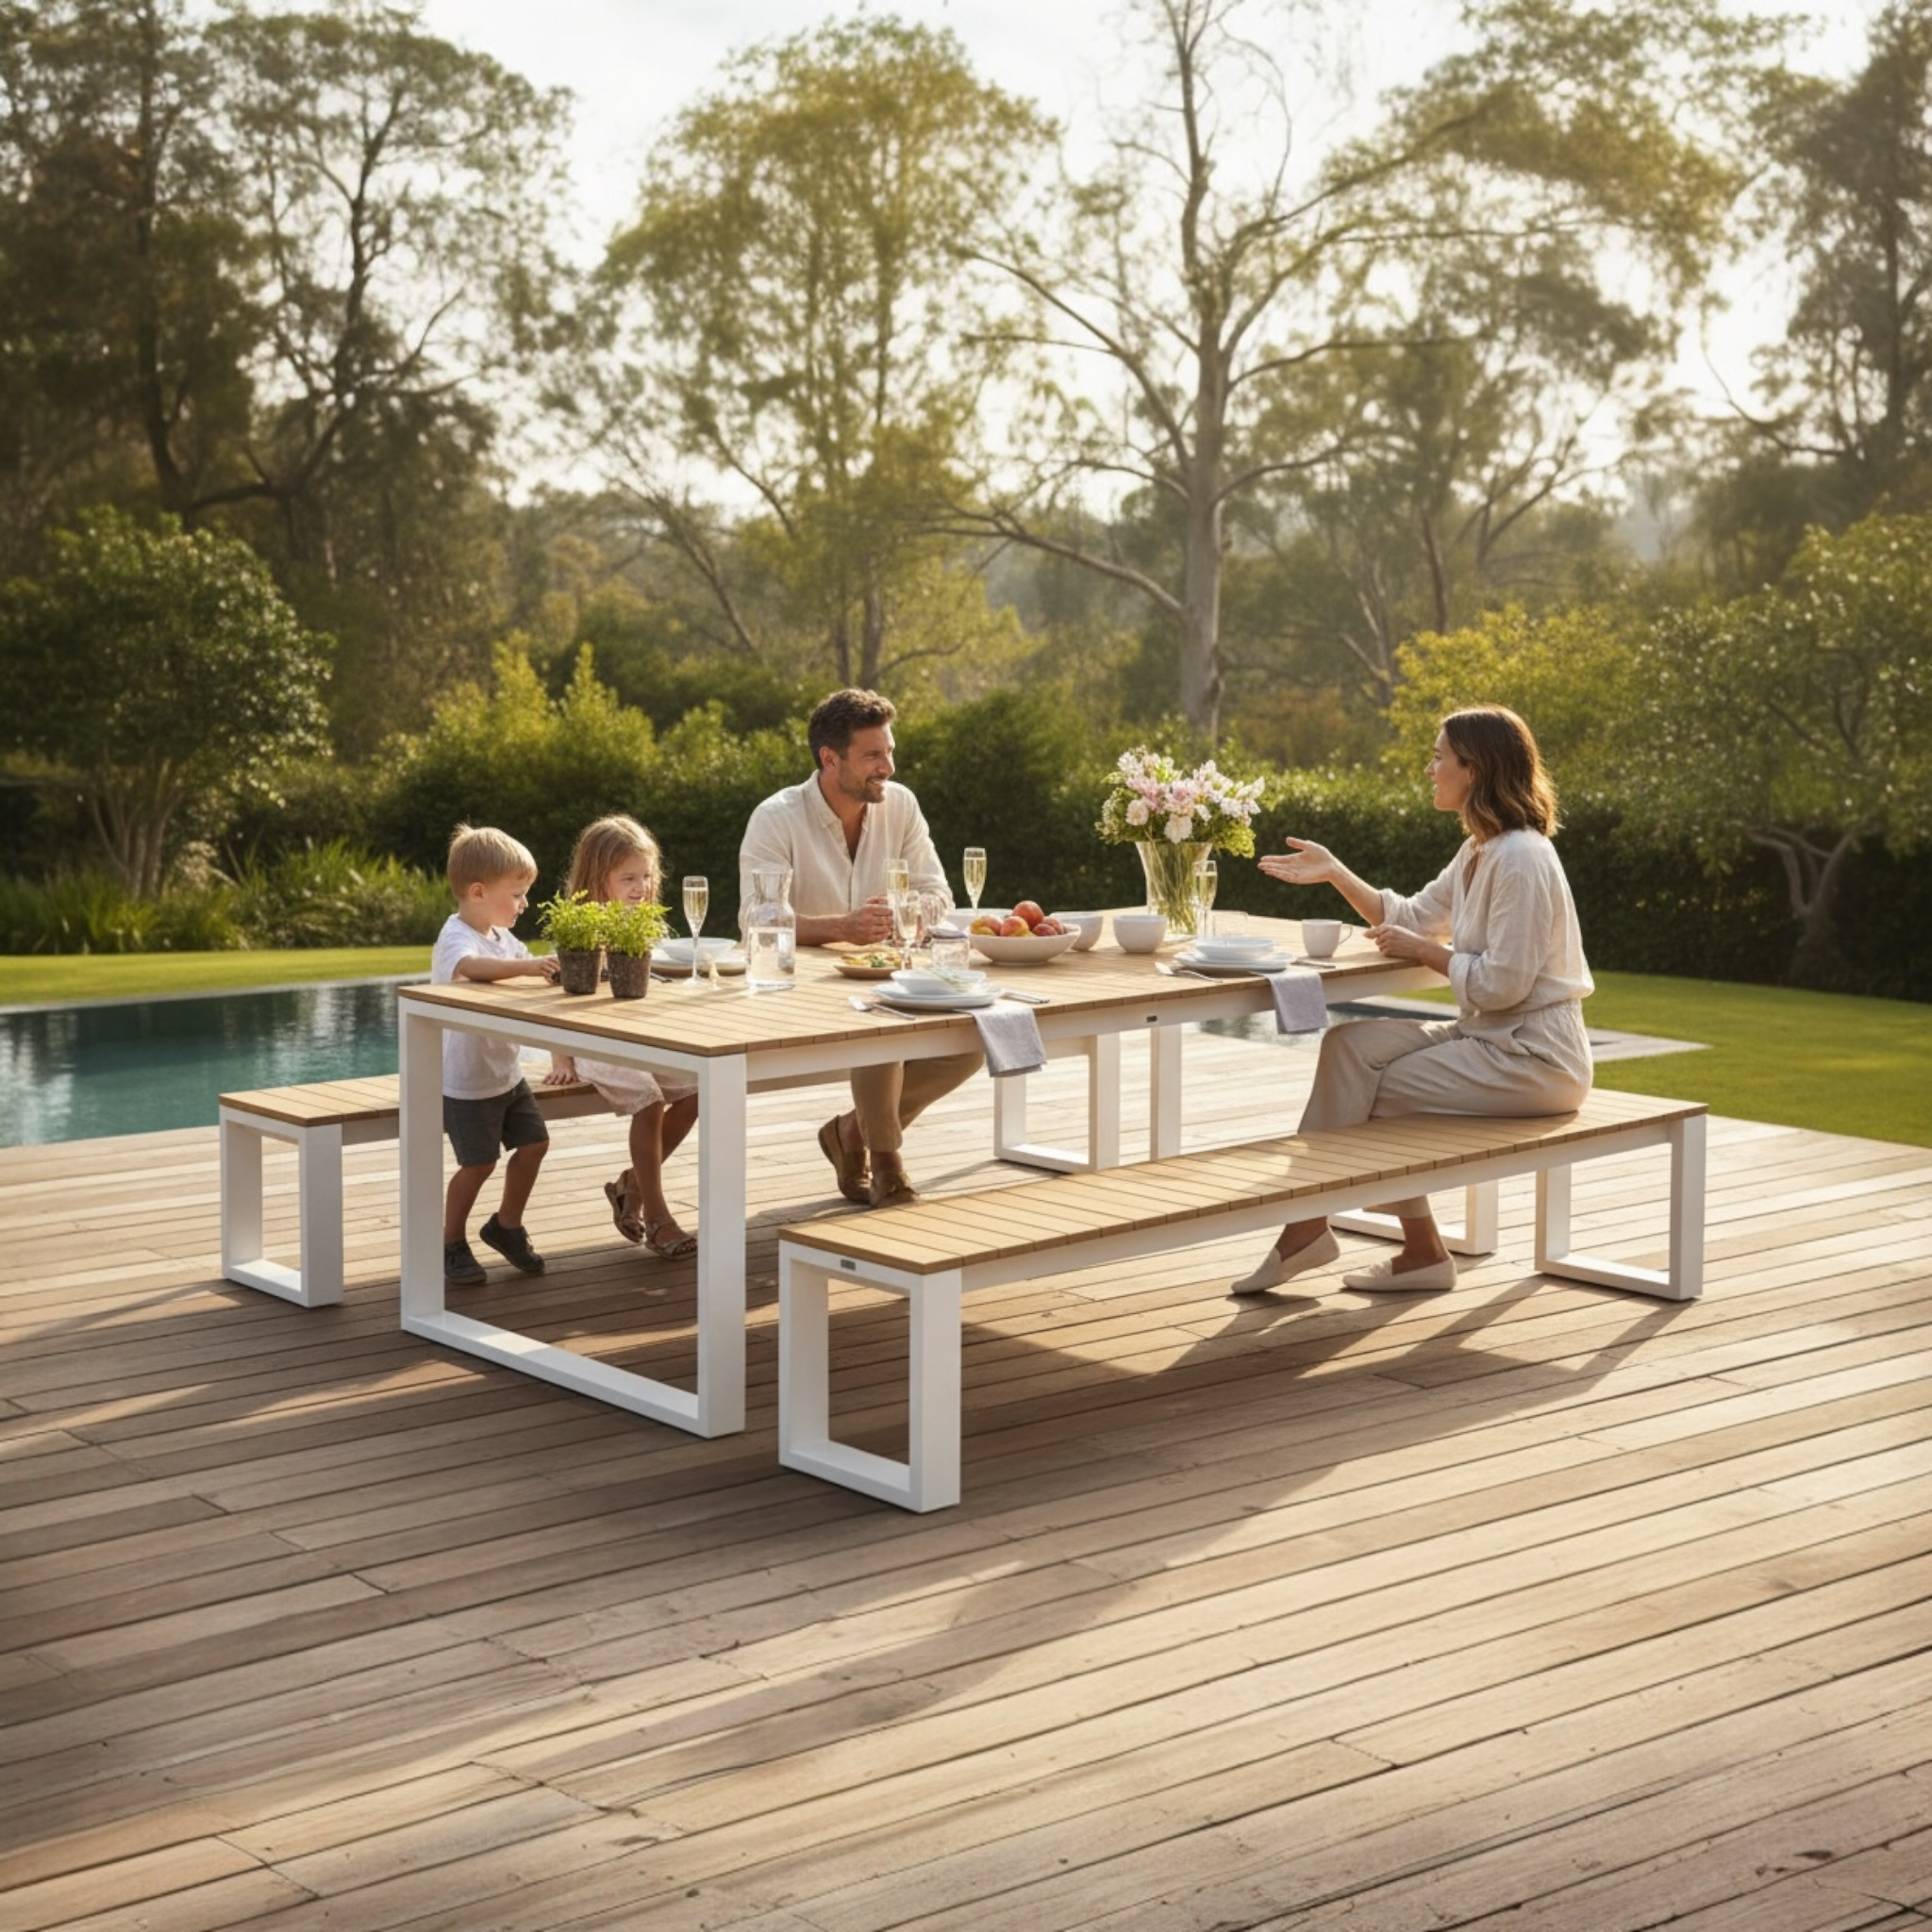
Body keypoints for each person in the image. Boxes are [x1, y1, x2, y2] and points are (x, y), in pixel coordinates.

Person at [1231, 705, 1593, 1295]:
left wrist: (1426, 954)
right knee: (1351, 1046)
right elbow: (1413, 918)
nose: (1430, 768)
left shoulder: (1522, 858)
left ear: (1472, 769)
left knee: (1365, 1091)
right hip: (1489, 1039)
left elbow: (1504, 983)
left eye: (1438, 756)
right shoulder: (1480, 851)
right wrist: (1336, 873)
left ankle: (1309, 1227)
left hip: (1537, 1058)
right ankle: (1409, 1250)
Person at [739, 686, 978, 1208]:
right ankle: (887, 1159)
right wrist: (841, 927)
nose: (887, 767)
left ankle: (854, 1132)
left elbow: (938, 892)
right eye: (873, 755)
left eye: (889, 751)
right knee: (883, 1030)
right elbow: (754, 920)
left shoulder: (902, 806)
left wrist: (907, 913)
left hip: (885, 974)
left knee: (973, 1040)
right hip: (802, 986)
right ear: (831, 758)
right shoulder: (776, 818)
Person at [543, 814, 701, 1260]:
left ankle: (630, 1185)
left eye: (647, 876)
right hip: (594, 1043)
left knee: (698, 1086)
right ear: (598, 879)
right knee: (649, 1099)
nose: (641, 886)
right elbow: (557, 998)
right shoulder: (581, 926)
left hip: (641, 1041)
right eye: (628, 878)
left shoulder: (648, 926)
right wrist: (562, 1057)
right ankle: (658, 1218)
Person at [434, 824, 560, 1287]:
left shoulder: (505, 939)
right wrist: (529, 967)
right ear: (479, 892)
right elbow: (471, 968)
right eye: (518, 894)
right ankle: (449, 1242)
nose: (524, 904)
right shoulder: (458, 937)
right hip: (466, 1083)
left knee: (535, 1144)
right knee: (479, 1163)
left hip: (506, 1076)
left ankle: (505, 1226)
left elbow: (528, 975)